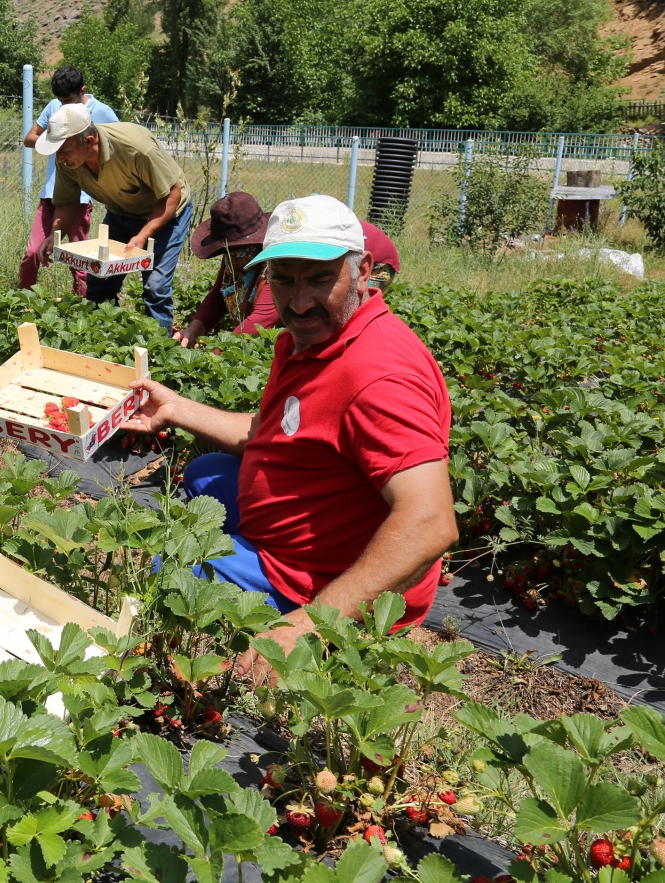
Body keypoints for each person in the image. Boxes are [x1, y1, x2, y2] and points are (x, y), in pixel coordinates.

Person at [122, 195, 456, 684]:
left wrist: (316, 622)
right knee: (202, 472)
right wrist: (175, 409)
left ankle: (281, 596)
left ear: (363, 271)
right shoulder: (319, 339)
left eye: (320, 279)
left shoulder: (379, 377)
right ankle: (244, 554)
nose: (299, 302)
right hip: (317, 518)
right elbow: (275, 433)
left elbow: (430, 523)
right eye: (284, 279)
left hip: (321, 575)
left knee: (166, 572)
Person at [174, 192, 403, 347]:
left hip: (373, 255)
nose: (231, 257)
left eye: (237, 250)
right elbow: (218, 294)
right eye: (227, 251)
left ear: (252, 245)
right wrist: (193, 330)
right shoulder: (236, 254)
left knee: (341, 313)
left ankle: (346, 351)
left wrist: (217, 354)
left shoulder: (277, 255)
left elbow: (262, 318)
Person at [37, 105, 193, 330]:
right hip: (120, 211)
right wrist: (54, 235)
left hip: (165, 211)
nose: (59, 158)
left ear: (89, 142)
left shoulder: (136, 148)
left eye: (64, 150)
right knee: (100, 281)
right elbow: (68, 201)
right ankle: (103, 341)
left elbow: (172, 195)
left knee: (155, 287)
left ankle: (159, 353)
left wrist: (142, 236)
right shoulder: (69, 162)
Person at [18, 67, 119, 293]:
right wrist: (56, 140)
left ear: (82, 90)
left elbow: (115, 145)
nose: (63, 106)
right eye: (60, 101)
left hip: (79, 198)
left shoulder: (101, 112)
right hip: (51, 195)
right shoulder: (55, 108)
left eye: (69, 100)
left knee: (78, 261)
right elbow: (29, 139)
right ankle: (21, 303)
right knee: (33, 252)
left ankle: (82, 308)